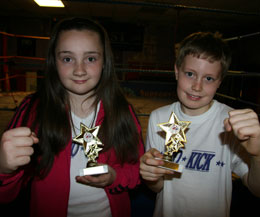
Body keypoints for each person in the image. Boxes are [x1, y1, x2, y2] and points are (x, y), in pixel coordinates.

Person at [0, 17, 144, 217]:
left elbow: (137, 169)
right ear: (54, 62)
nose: (79, 70)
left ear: (105, 62)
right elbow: (5, 196)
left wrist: (114, 177)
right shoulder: (32, 111)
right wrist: (4, 168)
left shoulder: (122, 111)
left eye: (91, 58)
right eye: (68, 58)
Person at [140, 32, 260, 217]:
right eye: (190, 74)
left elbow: (256, 189)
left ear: (219, 82)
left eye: (209, 78)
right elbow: (158, 187)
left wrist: (258, 155)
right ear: (176, 71)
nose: (197, 86)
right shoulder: (158, 118)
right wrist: (151, 175)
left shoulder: (230, 122)